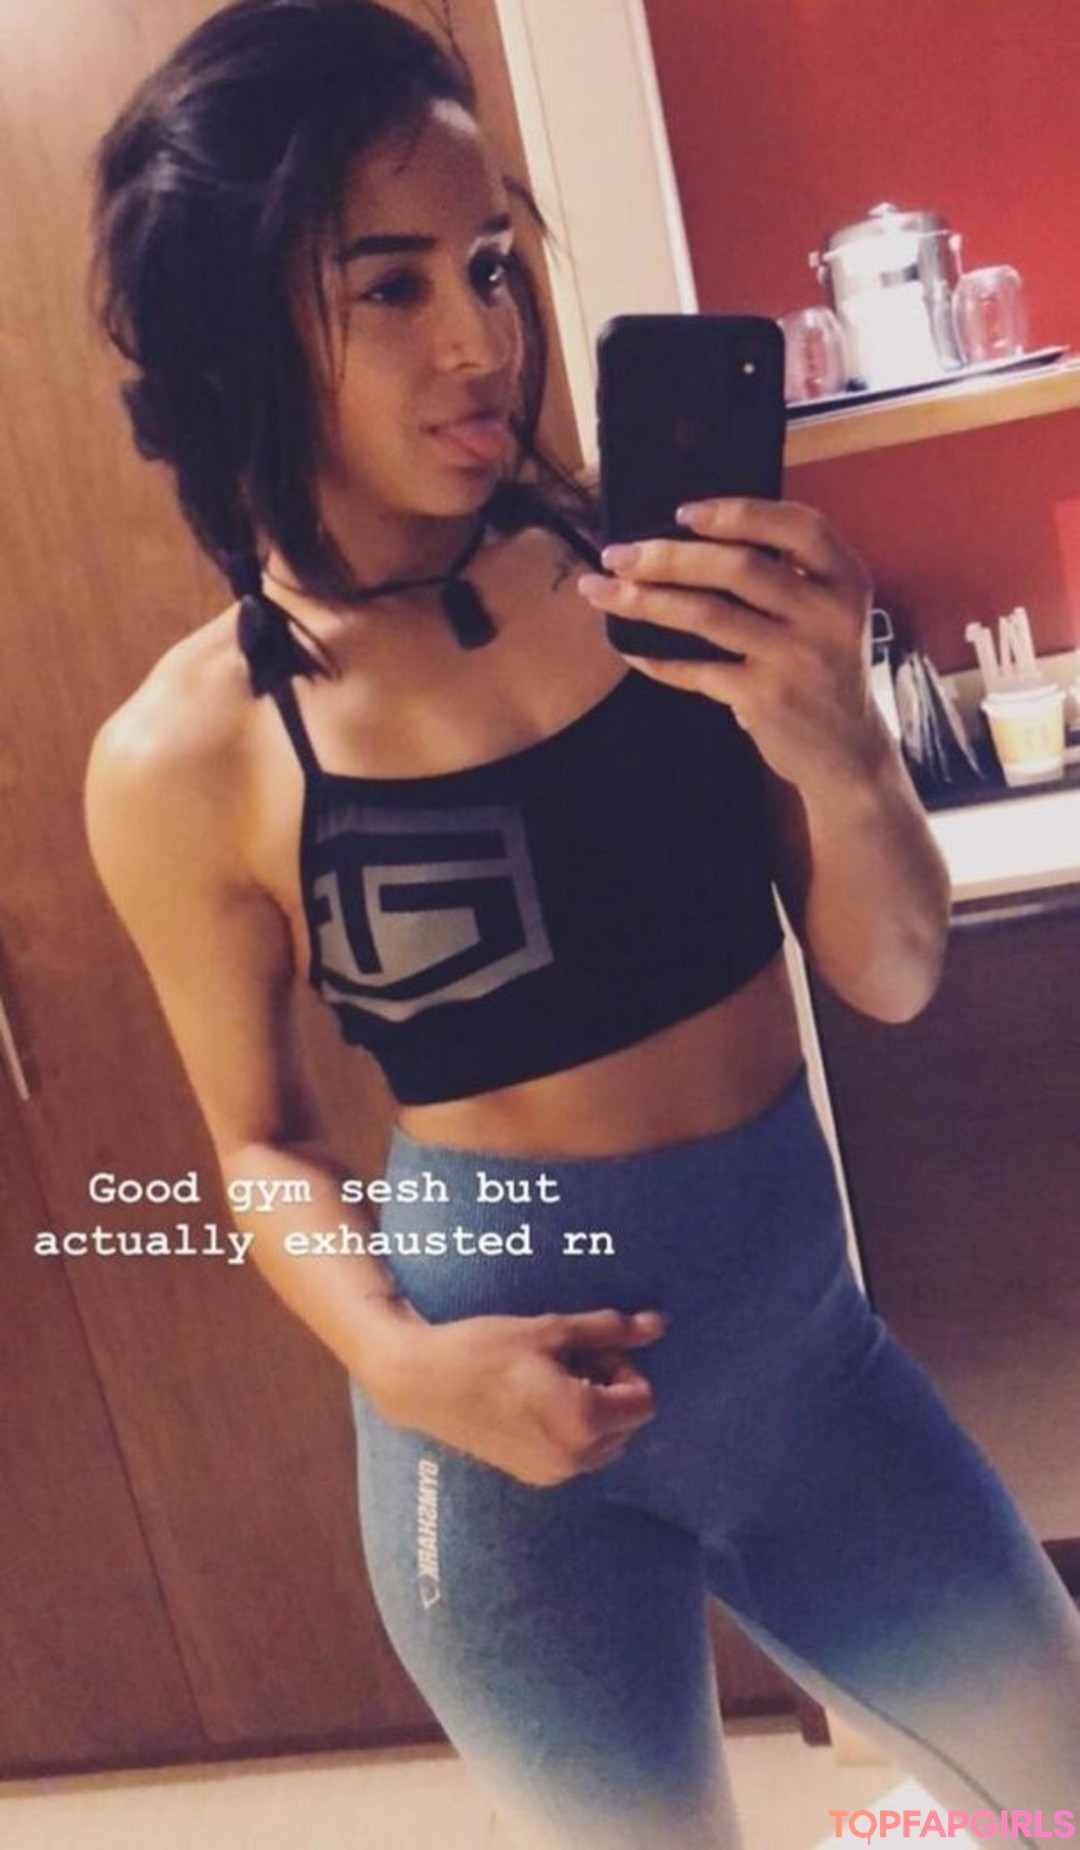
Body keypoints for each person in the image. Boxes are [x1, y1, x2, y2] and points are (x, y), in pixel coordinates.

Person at [83, 4, 1080, 1845]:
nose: (481, 337)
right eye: (389, 287)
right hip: (497, 1464)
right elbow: (258, 1146)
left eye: (488, 260)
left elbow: (893, 969)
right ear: (236, 331)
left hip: (815, 1378)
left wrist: (839, 736)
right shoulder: (187, 754)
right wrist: (404, 1362)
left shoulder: (661, 582)